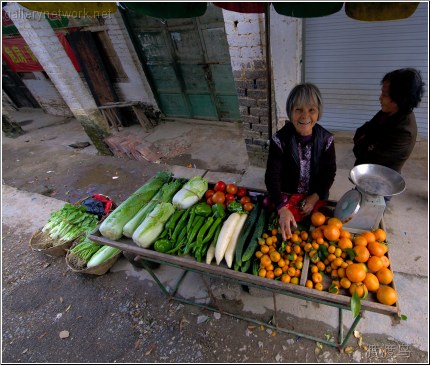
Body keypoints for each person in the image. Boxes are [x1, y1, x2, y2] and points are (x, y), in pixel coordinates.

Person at [265, 83, 336, 241]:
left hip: (314, 194)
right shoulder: (279, 140)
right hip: (286, 194)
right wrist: (281, 208)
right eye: (298, 110)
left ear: (318, 112)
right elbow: (272, 177)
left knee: (317, 235)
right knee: (280, 233)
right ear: (290, 112)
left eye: (311, 110)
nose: (305, 116)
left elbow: (329, 173)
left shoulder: (327, 140)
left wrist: (315, 197)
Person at [353, 68, 425, 174]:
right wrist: (367, 144)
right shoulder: (387, 112)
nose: (380, 98)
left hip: (381, 181)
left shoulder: (404, 131)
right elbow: (359, 133)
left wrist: (366, 140)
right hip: (366, 175)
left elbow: (368, 158)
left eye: (385, 95)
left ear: (399, 98)